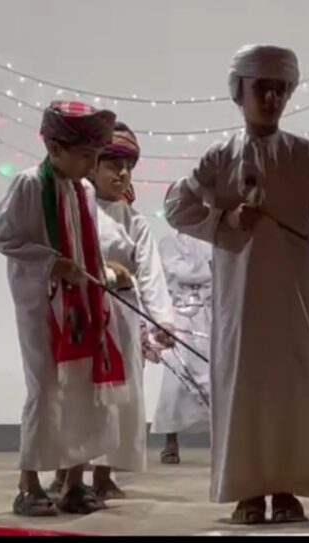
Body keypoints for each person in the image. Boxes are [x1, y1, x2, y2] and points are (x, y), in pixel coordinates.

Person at [163, 44, 309, 524]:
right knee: (245, 388)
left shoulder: (302, 154)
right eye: (261, 89)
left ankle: (288, 489)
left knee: (291, 389)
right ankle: (247, 492)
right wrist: (225, 220)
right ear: (239, 92)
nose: (271, 98)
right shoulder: (219, 156)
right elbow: (176, 208)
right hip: (239, 301)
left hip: (293, 296)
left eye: (280, 89)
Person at [0, 101, 125, 516]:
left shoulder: (84, 190)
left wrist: (101, 277)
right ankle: (28, 484)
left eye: (95, 156)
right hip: (41, 305)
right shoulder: (29, 184)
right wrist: (52, 262)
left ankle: (74, 483)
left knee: (84, 388)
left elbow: (89, 247)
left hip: (83, 306)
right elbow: (5, 238)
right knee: (46, 389)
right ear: (54, 148)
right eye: (84, 155)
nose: (91, 165)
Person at [60, 122, 176, 500]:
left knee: (118, 396)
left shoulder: (134, 221)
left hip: (122, 317)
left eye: (127, 166)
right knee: (77, 392)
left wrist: (162, 321)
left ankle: (104, 473)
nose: (122, 173)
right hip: (82, 315)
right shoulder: (75, 208)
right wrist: (106, 272)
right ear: (93, 166)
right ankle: (68, 471)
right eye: (113, 164)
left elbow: (150, 274)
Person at [151, 229, 213, 465]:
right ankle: (171, 441)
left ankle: (221, 441)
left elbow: (219, 271)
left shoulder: (212, 238)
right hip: (179, 317)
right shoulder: (168, 241)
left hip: (210, 317)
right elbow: (177, 272)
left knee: (216, 381)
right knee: (175, 382)